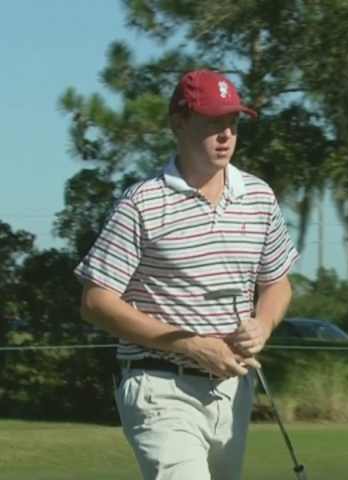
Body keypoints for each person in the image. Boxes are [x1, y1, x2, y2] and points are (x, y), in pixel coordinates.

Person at [76, 69, 299, 480]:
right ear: (178, 122)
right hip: (158, 385)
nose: (226, 135)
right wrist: (190, 344)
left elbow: (277, 282)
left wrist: (263, 324)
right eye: (213, 123)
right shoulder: (142, 203)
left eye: (231, 123)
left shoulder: (259, 197)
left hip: (231, 391)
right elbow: (96, 300)